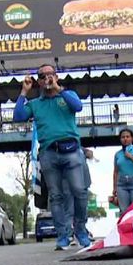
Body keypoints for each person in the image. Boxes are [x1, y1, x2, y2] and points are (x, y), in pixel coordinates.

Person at [13, 63, 90, 250]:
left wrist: (58, 89)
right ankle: (63, 236)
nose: (47, 78)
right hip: (48, 153)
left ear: (56, 77)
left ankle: (80, 229)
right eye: (43, 76)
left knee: (79, 191)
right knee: (55, 196)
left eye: (51, 75)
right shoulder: (35, 104)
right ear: (38, 82)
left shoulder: (67, 95)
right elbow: (18, 116)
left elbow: (78, 106)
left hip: (71, 150)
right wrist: (24, 92)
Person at [111, 128, 133, 214]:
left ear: (131, 138)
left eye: (127, 136)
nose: (125, 139)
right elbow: (116, 172)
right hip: (122, 184)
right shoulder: (118, 154)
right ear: (120, 139)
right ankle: (125, 227)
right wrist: (114, 187)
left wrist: (131, 157)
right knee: (124, 211)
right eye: (123, 137)